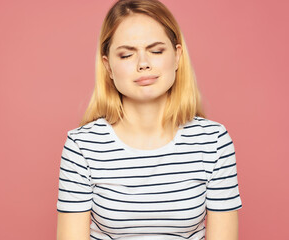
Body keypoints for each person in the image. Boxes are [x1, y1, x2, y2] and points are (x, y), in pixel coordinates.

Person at [56, 0, 243, 239]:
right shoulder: (82, 146)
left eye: (156, 51)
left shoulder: (214, 141)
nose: (143, 64)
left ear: (177, 56)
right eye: (126, 55)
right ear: (108, 67)